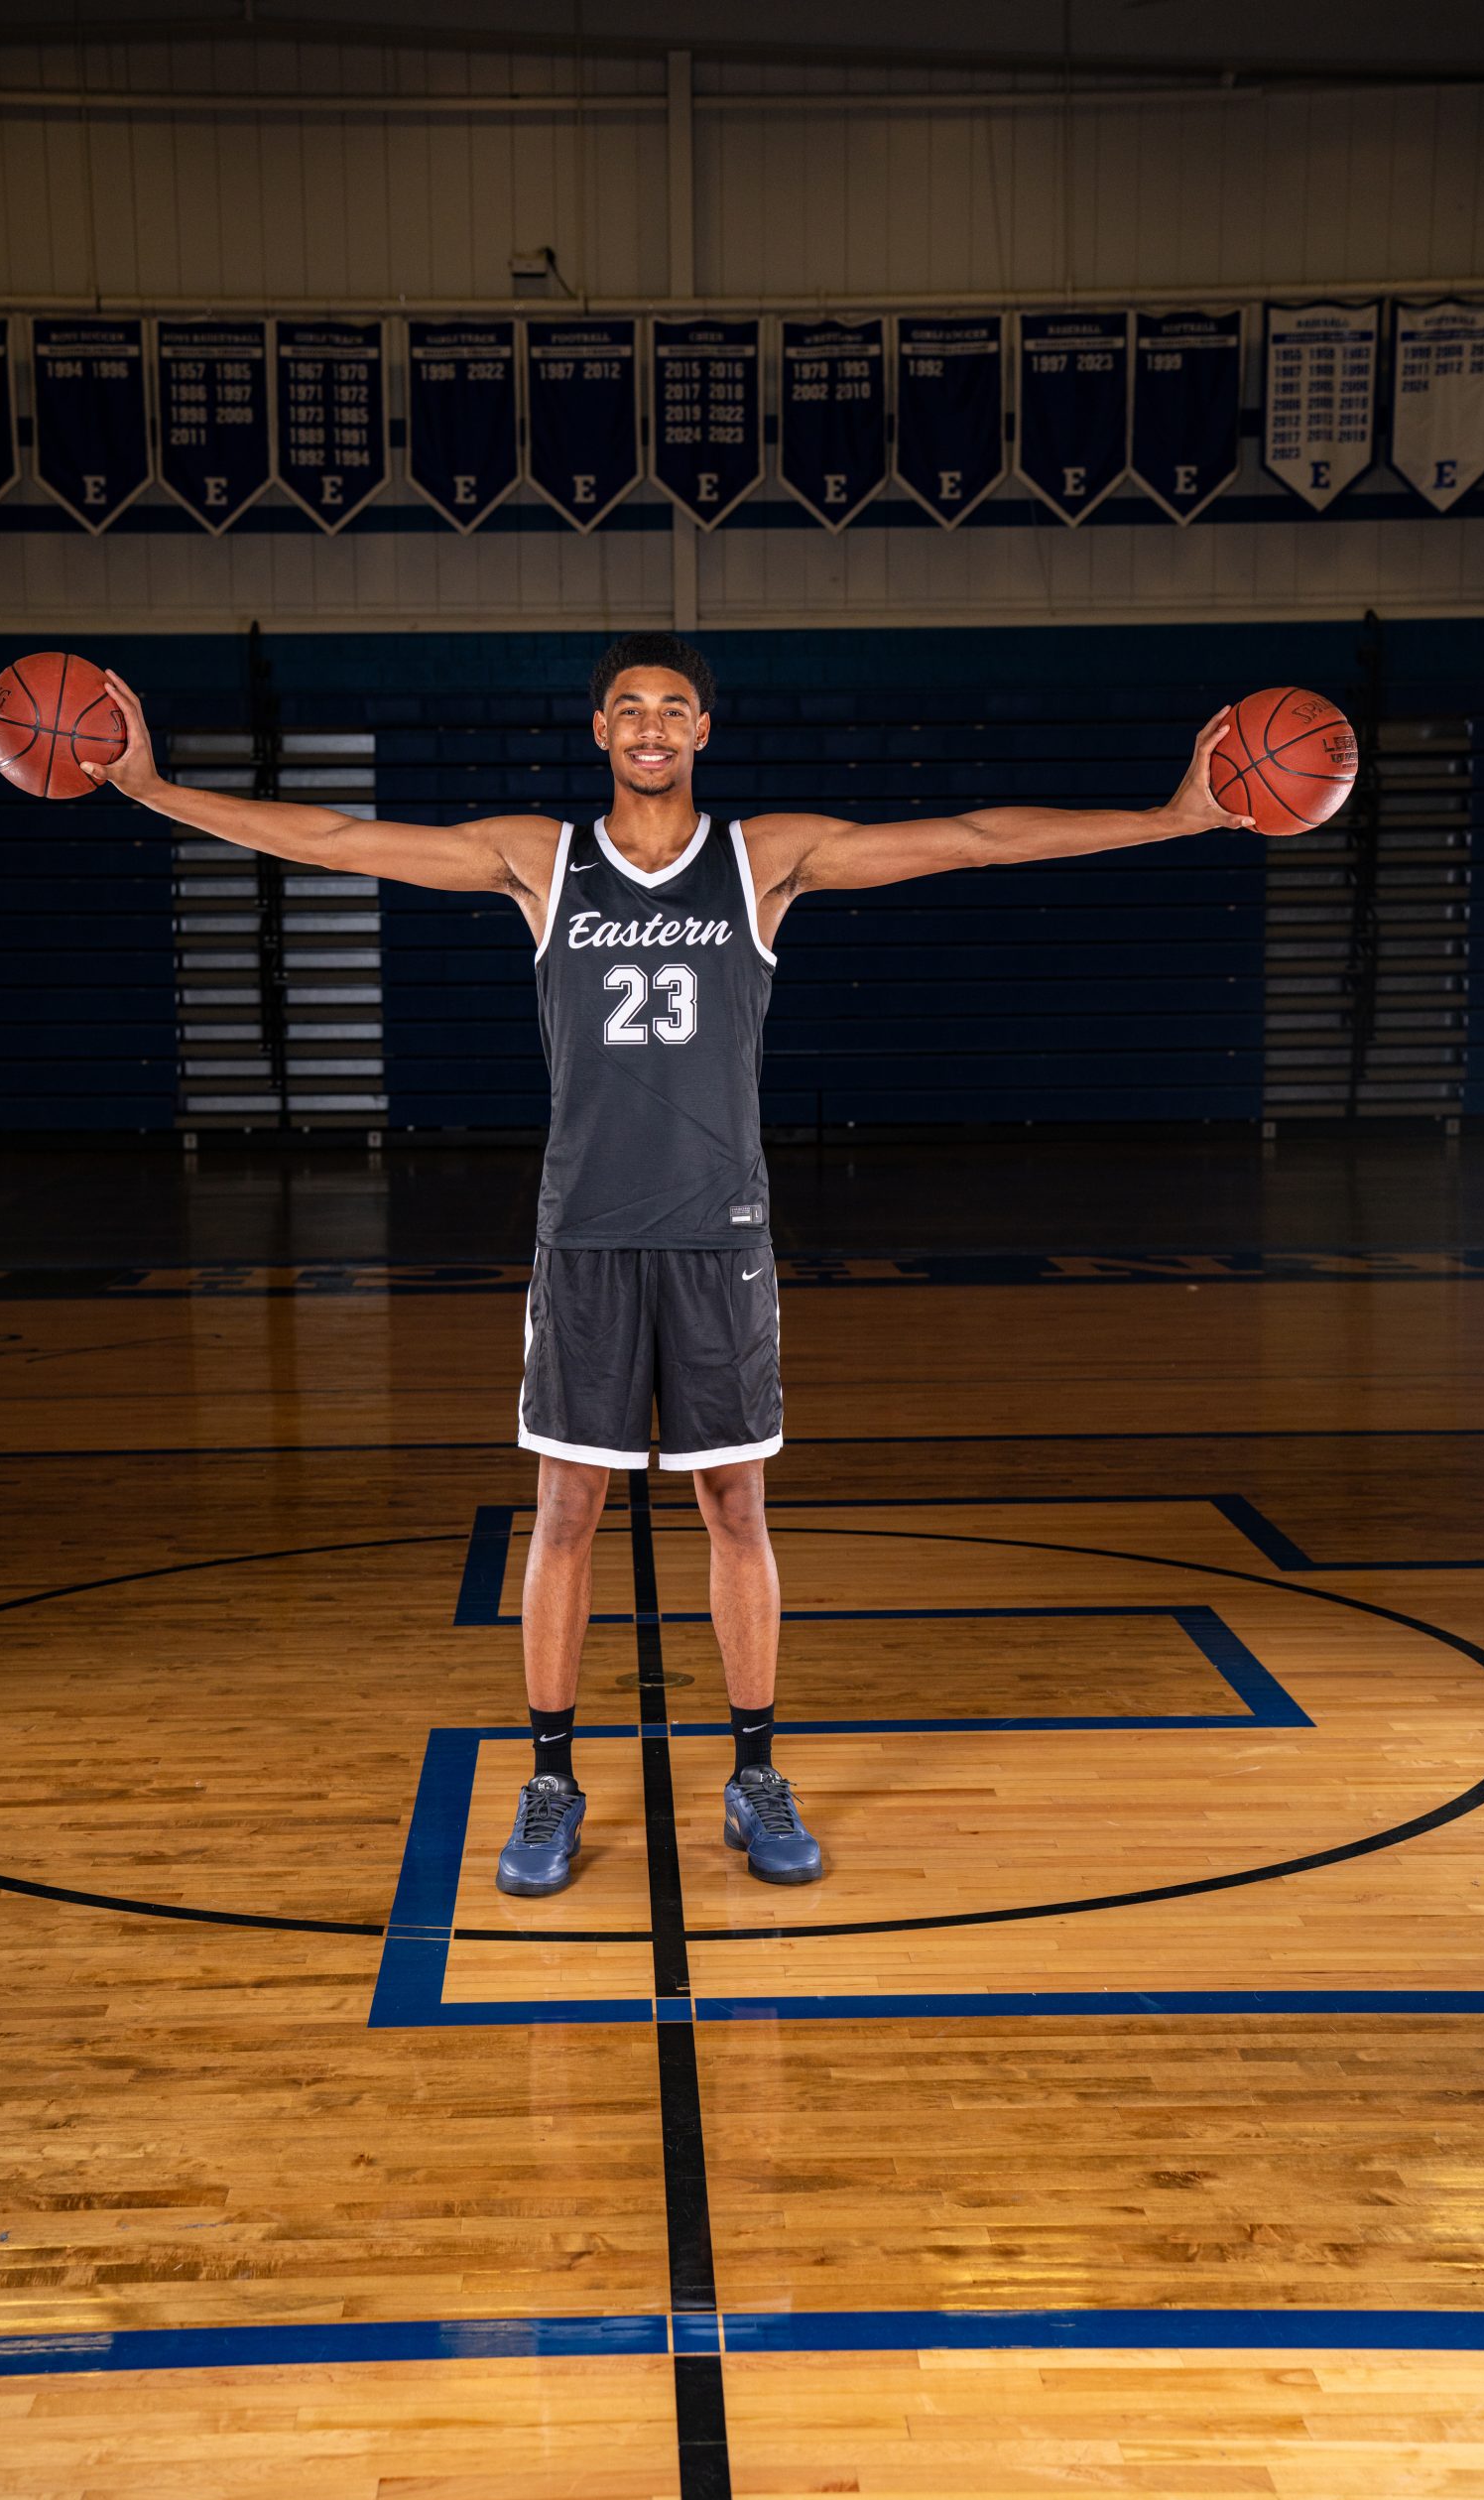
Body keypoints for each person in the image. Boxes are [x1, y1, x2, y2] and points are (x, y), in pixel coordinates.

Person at [85, 639, 1250, 1897]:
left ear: (703, 730)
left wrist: (1169, 818)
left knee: (736, 1508)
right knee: (565, 1513)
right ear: (598, 730)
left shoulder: (763, 857)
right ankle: (549, 1780)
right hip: (584, 1236)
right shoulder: (540, 858)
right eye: (629, 708)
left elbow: (971, 838)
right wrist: (151, 789)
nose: (650, 725)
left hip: (719, 1238)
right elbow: (331, 838)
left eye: (673, 708)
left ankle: (754, 1772)